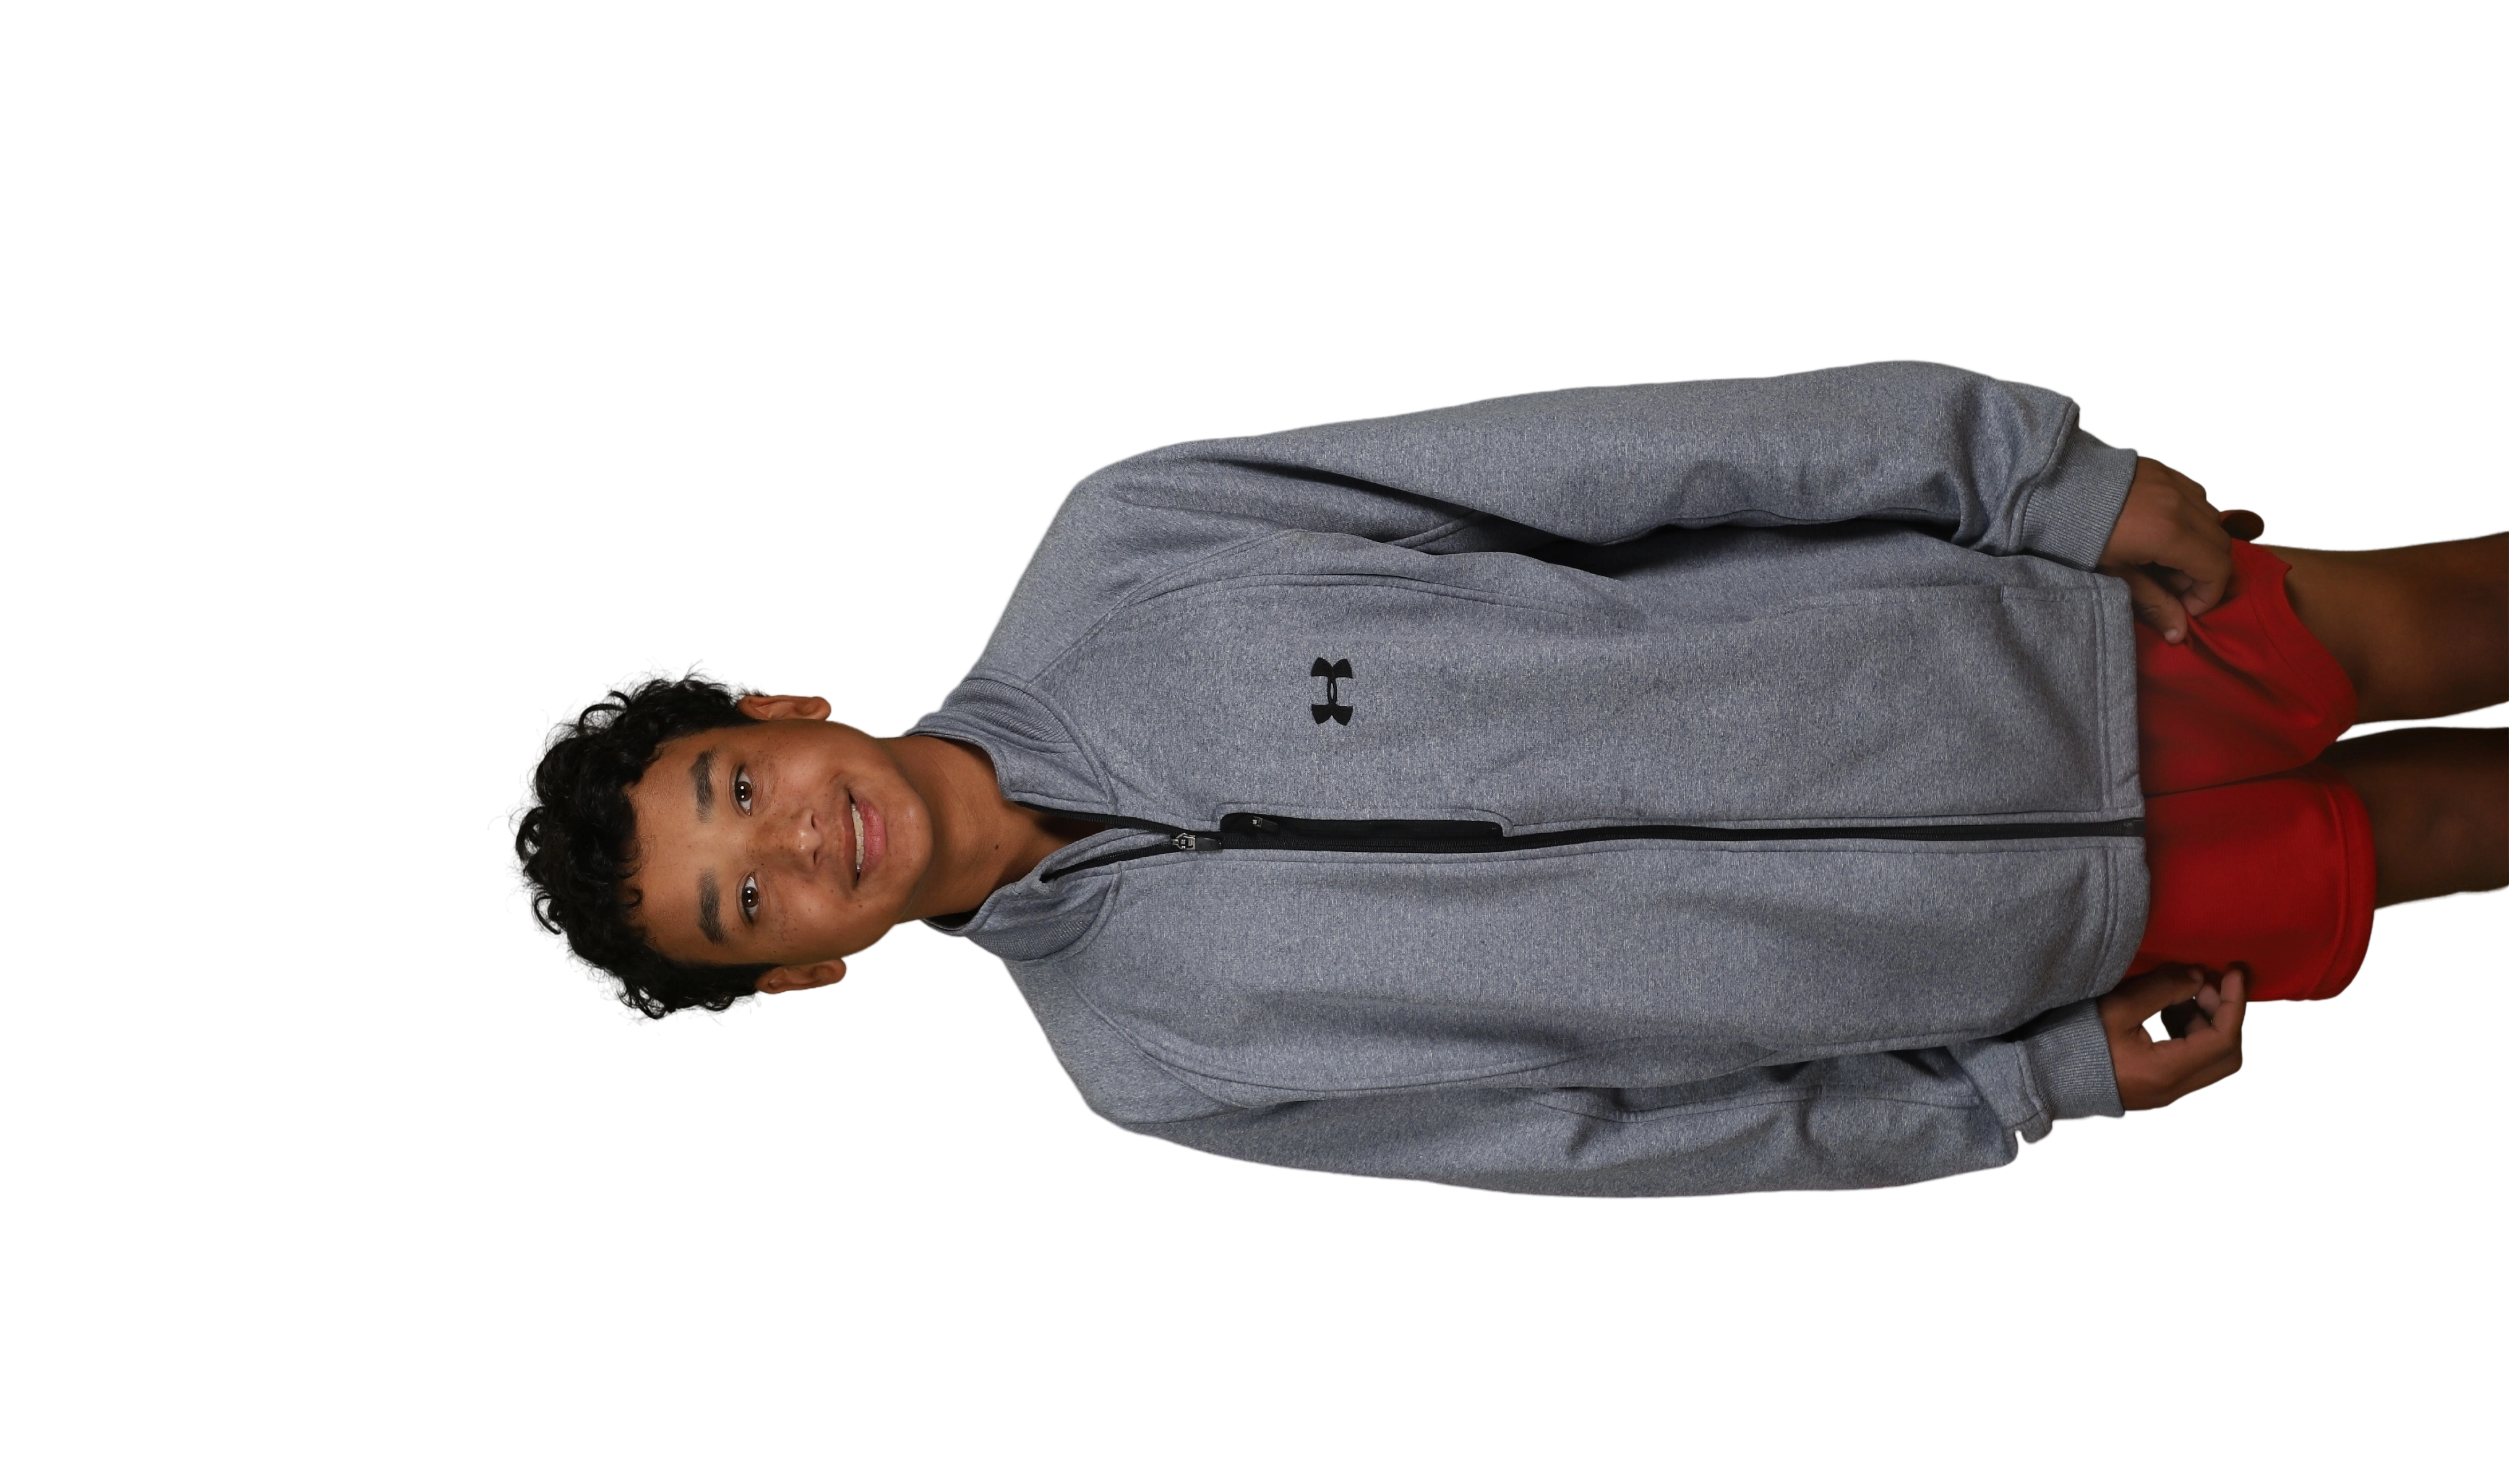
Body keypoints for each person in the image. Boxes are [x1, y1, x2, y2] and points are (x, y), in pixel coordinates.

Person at [491, 358, 2509, 1199]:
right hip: (2042, 940)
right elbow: (1611, 1143)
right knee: (2447, 834)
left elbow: (1616, 463)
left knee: (2450, 629)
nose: (792, 841)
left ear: (780, 709)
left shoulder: (1133, 549)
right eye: (744, 902)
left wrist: (2032, 479)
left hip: (2025, 642)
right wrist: (2025, 1087)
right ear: (802, 973)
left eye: (735, 786)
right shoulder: (1162, 1069)